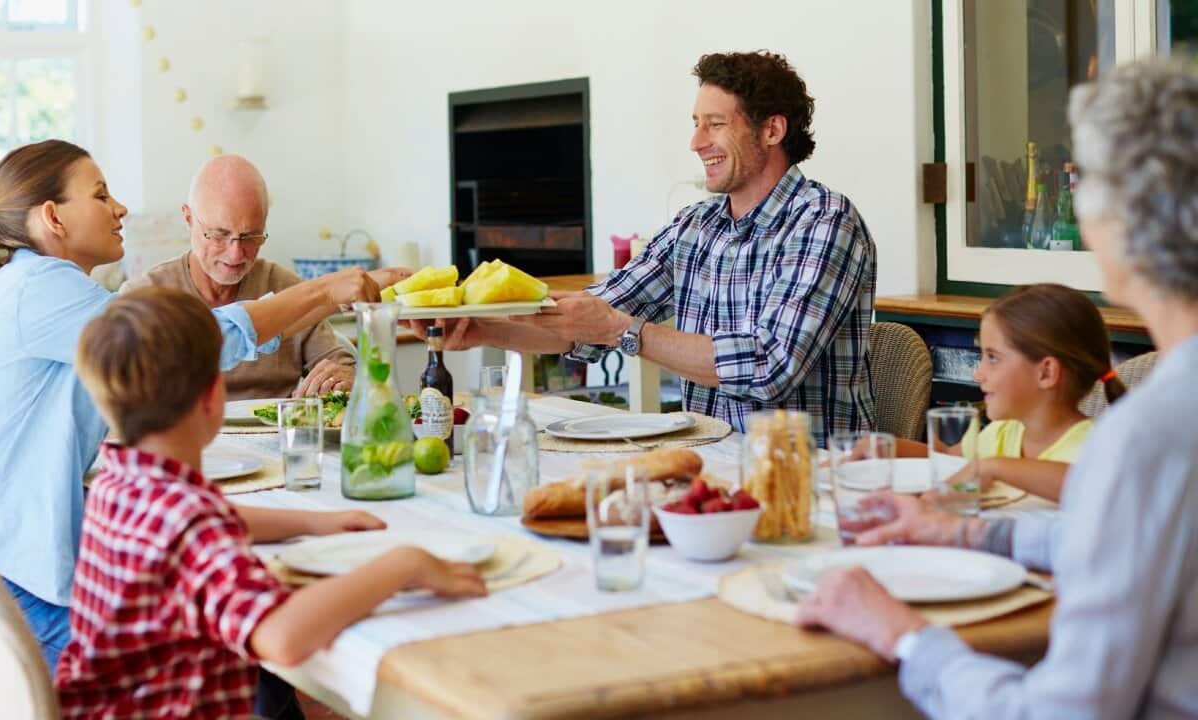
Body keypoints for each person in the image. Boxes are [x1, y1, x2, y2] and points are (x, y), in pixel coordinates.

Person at [795, 58, 1198, 718]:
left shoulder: (1146, 439)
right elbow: (1132, 540)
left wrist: (904, 637)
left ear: (1114, 228)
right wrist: (969, 536)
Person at [0, 140, 395, 684]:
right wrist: (325, 291)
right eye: (100, 194)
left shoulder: (42, 289)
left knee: (235, 654)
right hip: (2, 612)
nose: (119, 208)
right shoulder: (40, 289)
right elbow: (185, 344)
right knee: (232, 658)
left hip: (1, 594)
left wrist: (312, 523)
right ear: (52, 217)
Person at [55, 288, 485, 718]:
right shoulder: (190, 522)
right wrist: (404, 564)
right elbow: (280, 638)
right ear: (212, 396)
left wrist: (314, 523)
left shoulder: (120, 478)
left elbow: (204, 521)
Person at [422, 51, 875, 444]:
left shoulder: (824, 220)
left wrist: (625, 330)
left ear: (772, 130)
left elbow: (770, 367)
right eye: (697, 124)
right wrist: (484, 329)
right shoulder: (696, 225)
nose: (696, 142)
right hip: (710, 461)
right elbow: (589, 318)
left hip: (810, 473)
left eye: (715, 125)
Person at [123, 155, 385, 399]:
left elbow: (338, 360)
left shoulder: (287, 288)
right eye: (219, 234)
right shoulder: (143, 297)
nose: (236, 253)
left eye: (250, 236)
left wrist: (345, 376)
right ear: (189, 218)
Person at [900, 283, 1126, 502]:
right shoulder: (1003, 433)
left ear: (1046, 373)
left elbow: (1094, 487)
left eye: (993, 358)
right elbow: (948, 458)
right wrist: (882, 450)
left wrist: (994, 467)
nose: (978, 374)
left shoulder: (1095, 450)